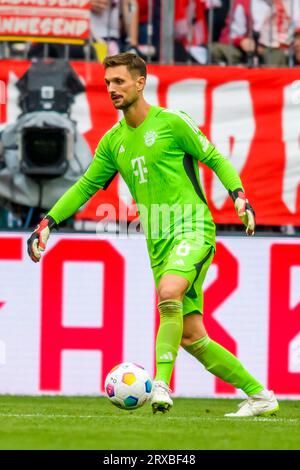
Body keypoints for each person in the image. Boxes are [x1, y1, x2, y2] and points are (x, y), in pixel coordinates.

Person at [27, 52, 279, 417]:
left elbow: (216, 159)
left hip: (193, 229)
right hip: (158, 244)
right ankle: (261, 395)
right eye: (108, 82)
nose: (112, 89)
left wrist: (239, 196)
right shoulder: (114, 142)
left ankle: (161, 383)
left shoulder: (172, 122)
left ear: (140, 82)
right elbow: (84, 187)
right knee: (192, 337)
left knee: (168, 292)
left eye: (119, 82)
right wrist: (48, 222)